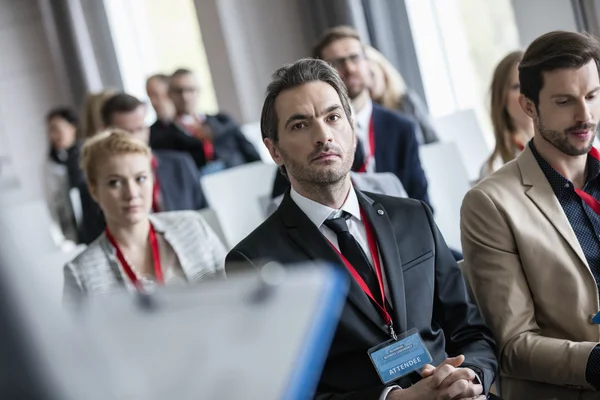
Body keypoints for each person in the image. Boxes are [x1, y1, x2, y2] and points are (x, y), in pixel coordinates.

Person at [226, 58, 497, 399]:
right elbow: (281, 391)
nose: (323, 135)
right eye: (300, 125)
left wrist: (470, 376)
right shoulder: (254, 260)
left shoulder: (413, 216)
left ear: (352, 127)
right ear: (274, 150)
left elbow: (472, 331)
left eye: (333, 117)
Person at [461, 31, 600, 399]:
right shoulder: (490, 203)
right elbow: (514, 345)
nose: (584, 115)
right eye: (564, 101)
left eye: (591, 96)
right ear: (528, 106)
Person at [63, 130, 226, 305]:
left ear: (153, 180)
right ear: (94, 191)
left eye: (140, 178)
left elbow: (237, 294)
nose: (132, 193)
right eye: (115, 182)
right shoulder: (81, 272)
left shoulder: (193, 227)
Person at [313, 26, 430, 206]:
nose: (350, 68)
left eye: (355, 57)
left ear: (368, 63)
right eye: (336, 62)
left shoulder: (401, 128)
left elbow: (421, 201)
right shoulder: (313, 135)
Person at [78, 93, 209, 244]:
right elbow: (93, 239)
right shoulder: (98, 184)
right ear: (106, 132)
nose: (136, 138)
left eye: (140, 128)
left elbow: (205, 217)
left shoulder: (180, 165)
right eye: (127, 132)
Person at [149, 68, 261, 174]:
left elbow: (252, 154)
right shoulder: (163, 136)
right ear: (169, 94)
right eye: (179, 91)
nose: (185, 96)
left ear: (198, 91)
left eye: (190, 90)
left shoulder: (223, 121)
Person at [365, 45, 439, 145]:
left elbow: (433, 140)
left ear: (382, 71)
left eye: (371, 75)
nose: (368, 84)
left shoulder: (406, 101)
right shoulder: (364, 115)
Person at [480, 51, 534, 179]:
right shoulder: (494, 169)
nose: (528, 93)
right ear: (501, 98)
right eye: (518, 86)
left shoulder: (563, 147)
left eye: (533, 83)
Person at [44, 107, 85, 246]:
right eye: (50, 131)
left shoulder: (86, 154)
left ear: (72, 127)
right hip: (72, 230)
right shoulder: (52, 163)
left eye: (57, 129)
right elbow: (54, 201)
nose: (53, 136)